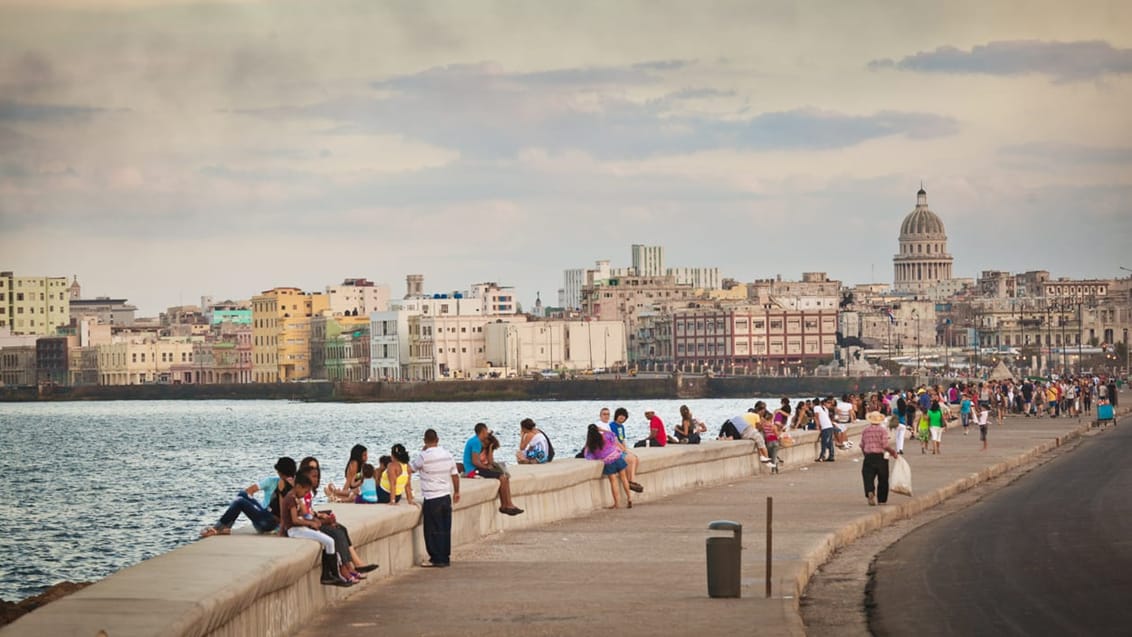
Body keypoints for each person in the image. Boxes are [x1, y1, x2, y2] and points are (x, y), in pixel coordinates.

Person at [280, 472, 352, 587]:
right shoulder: (290, 499)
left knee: (327, 542)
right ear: (298, 487)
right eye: (305, 491)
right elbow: (294, 520)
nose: (306, 494)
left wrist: (312, 517)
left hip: (301, 527)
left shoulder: (297, 497)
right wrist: (310, 523)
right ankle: (333, 575)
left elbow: (304, 513)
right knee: (329, 541)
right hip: (294, 530)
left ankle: (328, 574)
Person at [201, 456, 296, 537]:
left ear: (281, 472)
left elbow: (283, 507)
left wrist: (281, 529)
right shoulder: (293, 483)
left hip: (269, 523)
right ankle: (224, 527)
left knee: (239, 501)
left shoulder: (282, 483)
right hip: (267, 517)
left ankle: (217, 528)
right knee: (242, 494)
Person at [410, 428, 460, 568]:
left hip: (432, 497)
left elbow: (411, 469)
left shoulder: (424, 456)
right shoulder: (447, 454)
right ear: (437, 440)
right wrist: (456, 492)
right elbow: (455, 475)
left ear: (425, 440)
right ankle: (445, 557)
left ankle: (436, 558)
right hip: (445, 495)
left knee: (432, 530)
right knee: (445, 528)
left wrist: (423, 451)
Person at [463, 423, 524, 516]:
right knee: (502, 478)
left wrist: (490, 448)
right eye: (486, 431)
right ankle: (505, 505)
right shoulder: (475, 442)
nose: (487, 433)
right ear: (483, 431)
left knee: (505, 477)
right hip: (473, 470)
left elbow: (490, 461)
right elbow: (475, 461)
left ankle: (508, 504)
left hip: (477, 468)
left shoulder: (477, 441)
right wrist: (487, 468)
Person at [583, 424, 633, 509]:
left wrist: (587, 444)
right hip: (617, 457)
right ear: (597, 429)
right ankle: (629, 497)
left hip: (608, 462)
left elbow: (587, 455)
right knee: (624, 478)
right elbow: (613, 434)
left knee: (613, 482)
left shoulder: (591, 444)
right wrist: (603, 429)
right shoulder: (605, 436)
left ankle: (617, 503)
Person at [860, 411, 898, 506]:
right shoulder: (882, 430)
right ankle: (882, 500)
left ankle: (870, 491)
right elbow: (885, 445)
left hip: (869, 456)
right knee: (883, 479)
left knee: (868, 477)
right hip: (880, 457)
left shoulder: (865, 430)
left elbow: (862, 445)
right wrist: (893, 452)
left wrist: (866, 455)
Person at [814, 396, 836, 462]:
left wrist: (817, 426)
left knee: (824, 443)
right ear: (824, 403)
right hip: (829, 426)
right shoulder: (824, 409)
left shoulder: (817, 408)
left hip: (825, 427)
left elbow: (816, 417)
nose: (829, 404)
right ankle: (831, 456)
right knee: (829, 442)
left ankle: (822, 457)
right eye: (828, 403)